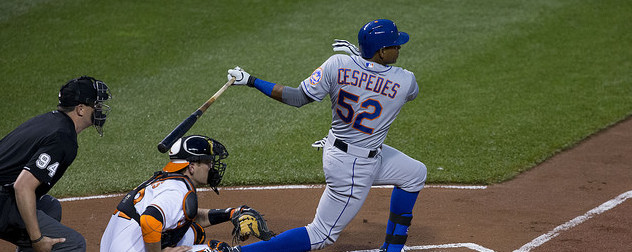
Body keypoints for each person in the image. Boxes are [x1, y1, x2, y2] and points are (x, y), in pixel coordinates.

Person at [223, 19, 427, 252]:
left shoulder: (337, 64)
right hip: (353, 167)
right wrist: (364, 64)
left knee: (414, 173)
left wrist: (252, 81)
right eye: (394, 45)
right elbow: (399, 88)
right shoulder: (405, 80)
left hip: (346, 150)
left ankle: (391, 249)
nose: (399, 48)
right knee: (321, 235)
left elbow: (297, 97)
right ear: (381, 52)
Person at [101, 135, 272, 252]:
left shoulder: (166, 182)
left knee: (193, 232)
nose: (211, 167)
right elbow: (149, 220)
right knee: (218, 250)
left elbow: (186, 216)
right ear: (191, 166)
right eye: (207, 162)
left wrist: (231, 213)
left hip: (115, 246)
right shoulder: (177, 191)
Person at [0, 76, 112, 252]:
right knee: (74, 244)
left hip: (4, 194)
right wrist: (37, 239)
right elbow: (22, 187)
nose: (100, 109)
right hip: (3, 200)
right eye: (96, 105)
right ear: (81, 109)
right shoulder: (62, 137)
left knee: (50, 207)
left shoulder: (50, 120)